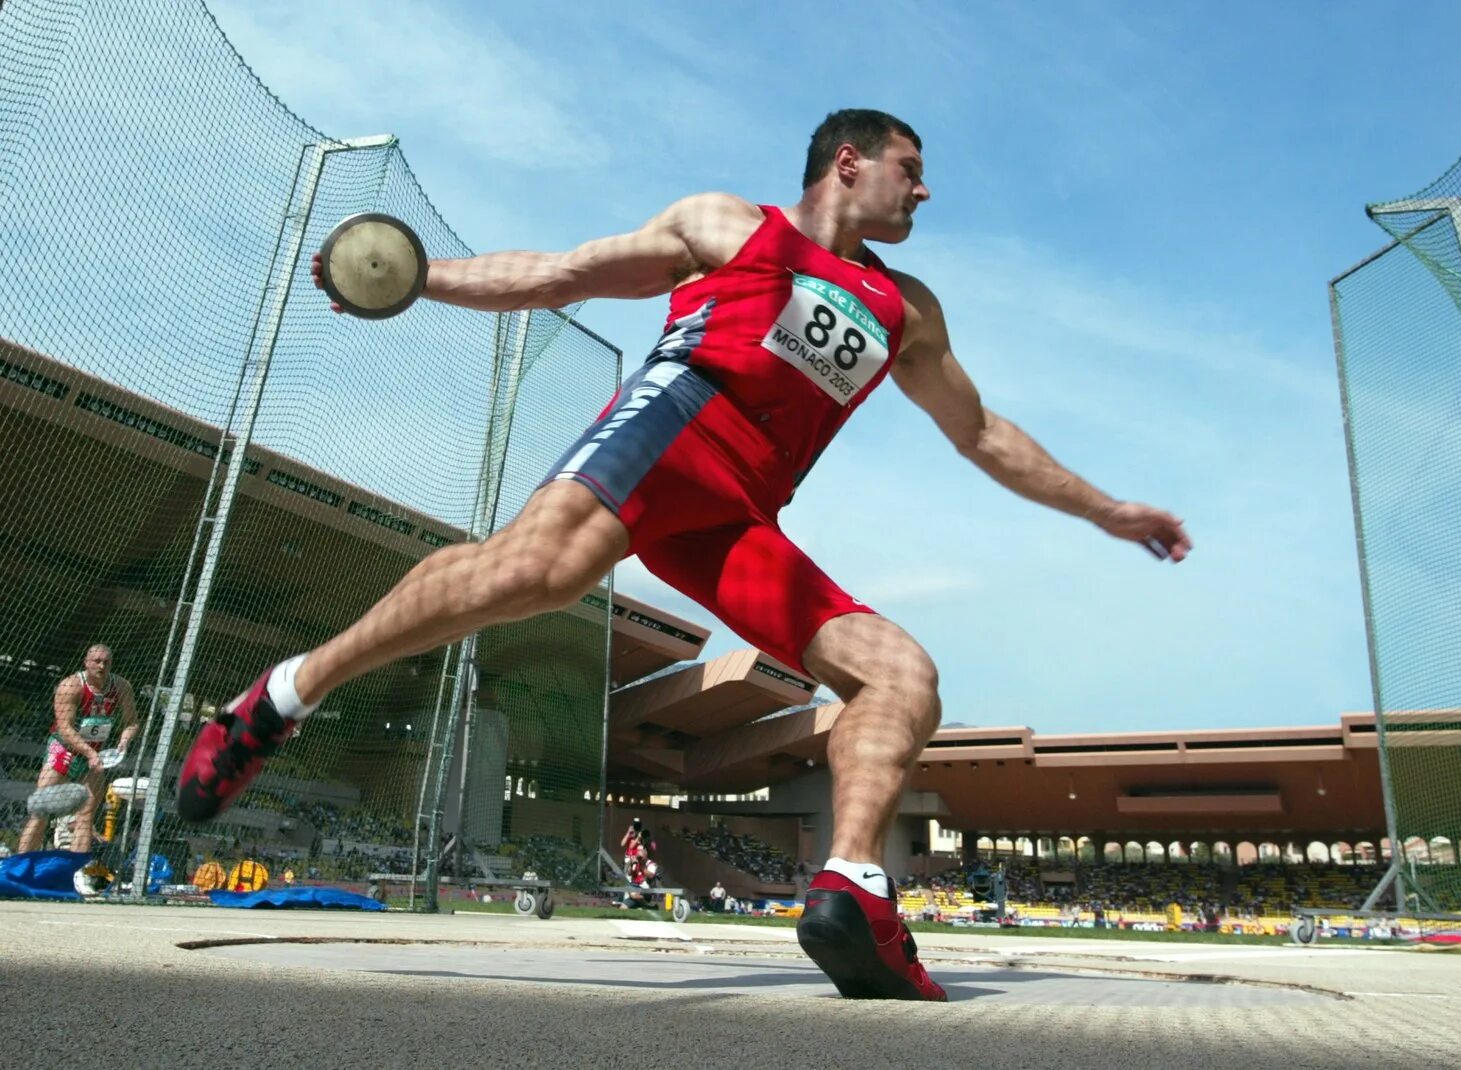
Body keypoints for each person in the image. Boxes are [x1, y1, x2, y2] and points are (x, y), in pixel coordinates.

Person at [176, 108, 1191, 1001]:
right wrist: (416, 278)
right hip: (672, 429)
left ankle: (853, 890)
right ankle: (282, 694)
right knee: (538, 571)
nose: (922, 189)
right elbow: (563, 273)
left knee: (899, 674)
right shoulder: (728, 224)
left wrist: (1103, 508)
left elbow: (979, 432)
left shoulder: (906, 310)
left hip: (739, 516)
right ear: (847, 162)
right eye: (907, 167)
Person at [18, 644, 140, 854]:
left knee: (86, 816)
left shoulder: (121, 687)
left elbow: (132, 721)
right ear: (86, 662)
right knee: (41, 812)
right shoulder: (71, 686)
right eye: (97, 661)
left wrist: (124, 739)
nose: (102, 666)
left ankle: (75, 874)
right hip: (64, 750)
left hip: (95, 755)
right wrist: (90, 753)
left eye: (106, 662)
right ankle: (20, 865)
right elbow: (64, 728)